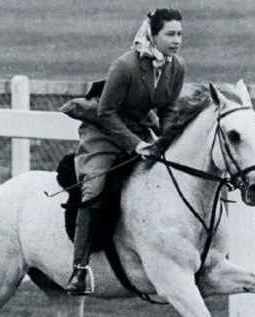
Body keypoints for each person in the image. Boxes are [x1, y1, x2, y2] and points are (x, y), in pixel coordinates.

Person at [65, 8, 185, 295]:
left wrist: (166, 142)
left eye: (180, 34)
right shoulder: (125, 66)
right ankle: (79, 269)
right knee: (94, 189)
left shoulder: (176, 66)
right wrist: (136, 144)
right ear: (153, 35)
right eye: (170, 34)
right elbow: (106, 113)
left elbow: (168, 109)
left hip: (142, 129)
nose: (177, 40)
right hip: (104, 131)